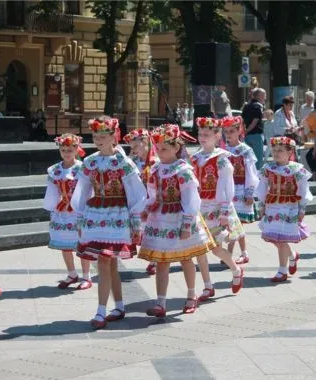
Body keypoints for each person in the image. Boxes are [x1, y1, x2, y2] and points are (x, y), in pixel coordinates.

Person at [71, 116, 147, 329]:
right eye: (95, 136)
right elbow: (83, 189)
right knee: (108, 262)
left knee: (105, 261)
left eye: (103, 136)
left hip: (117, 215)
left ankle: (101, 311)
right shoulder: (90, 161)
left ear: (114, 136)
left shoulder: (123, 162)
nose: (98, 140)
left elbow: (136, 192)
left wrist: (135, 219)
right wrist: (80, 215)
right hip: (96, 214)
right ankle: (119, 306)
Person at [138, 124, 215, 318]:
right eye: (157, 148)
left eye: (164, 148)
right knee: (161, 260)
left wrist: (187, 223)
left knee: (185, 258)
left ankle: (191, 295)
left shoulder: (183, 170)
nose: (160, 152)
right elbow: (153, 194)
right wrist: (147, 209)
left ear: (176, 148)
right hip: (161, 218)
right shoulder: (155, 169)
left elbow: (191, 198)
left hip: (179, 217)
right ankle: (160, 302)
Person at [191, 117, 245, 302]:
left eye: (207, 134)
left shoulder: (221, 159)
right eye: (200, 134)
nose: (202, 137)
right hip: (199, 207)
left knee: (215, 248)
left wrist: (224, 212)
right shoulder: (195, 158)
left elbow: (226, 187)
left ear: (217, 136)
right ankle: (207, 286)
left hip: (216, 207)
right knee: (199, 248)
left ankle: (236, 270)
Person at [256, 136, 312, 282]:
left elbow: (303, 189)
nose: (276, 153)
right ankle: (292, 256)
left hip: (289, 207)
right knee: (275, 238)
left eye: (280, 150)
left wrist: (302, 208)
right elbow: (262, 187)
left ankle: (282, 271)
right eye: (274, 150)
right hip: (272, 206)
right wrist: (261, 204)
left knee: (281, 241)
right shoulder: (268, 168)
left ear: (289, 152)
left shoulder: (297, 170)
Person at [43, 133, 92, 290]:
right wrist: (51, 207)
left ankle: (86, 276)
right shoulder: (55, 169)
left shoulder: (82, 168)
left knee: (82, 244)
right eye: (63, 150)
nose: (66, 153)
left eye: (70, 150)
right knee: (65, 244)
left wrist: (87, 209)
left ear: (77, 149)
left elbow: (87, 190)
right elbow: (51, 190)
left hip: (78, 210)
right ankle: (72, 273)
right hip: (62, 210)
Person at [220, 116, 260, 264]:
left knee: (235, 223)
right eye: (226, 131)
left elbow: (251, 173)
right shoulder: (222, 150)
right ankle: (244, 252)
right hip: (228, 191)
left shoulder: (245, 150)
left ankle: (229, 254)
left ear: (239, 131)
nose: (228, 134)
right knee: (235, 224)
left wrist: (249, 192)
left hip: (241, 190)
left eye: (231, 131)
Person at [124, 128, 159, 276]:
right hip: (139, 201)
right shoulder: (133, 163)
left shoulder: (156, 162)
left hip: (153, 201)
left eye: (136, 146)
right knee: (142, 231)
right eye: (132, 148)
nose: (134, 150)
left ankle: (155, 261)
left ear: (145, 142)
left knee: (153, 231)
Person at [242, 88, 266, 169]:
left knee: (249, 158)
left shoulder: (246, 106)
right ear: (260, 96)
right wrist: (247, 130)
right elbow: (255, 121)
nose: (265, 98)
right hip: (256, 135)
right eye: (264, 95)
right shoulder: (258, 106)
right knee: (258, 158)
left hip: (247, 136)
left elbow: (243, 120)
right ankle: (258, 177)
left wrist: (245, 131)